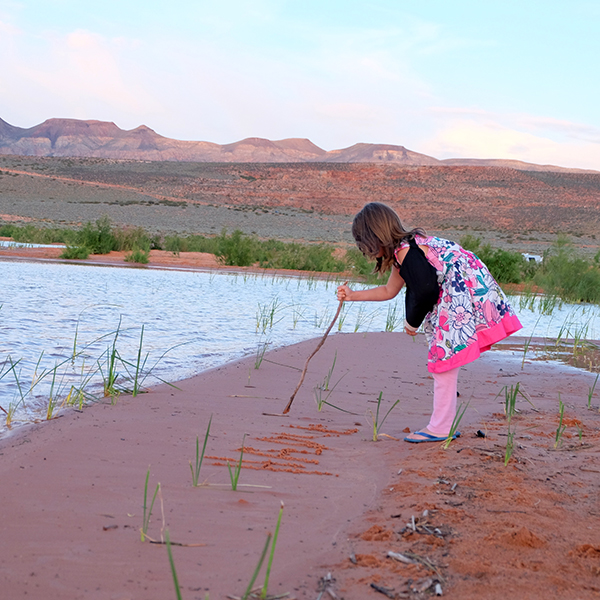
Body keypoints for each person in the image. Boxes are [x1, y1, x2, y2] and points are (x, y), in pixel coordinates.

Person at [337, 202, 522, 443]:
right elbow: (389, 290)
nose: (365, 250)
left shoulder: (407, 252)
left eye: (364, 243)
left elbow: (425, 290)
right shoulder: (409, 248)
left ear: (375, 236)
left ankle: (440, 428)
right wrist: (353, 295)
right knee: (445, 362)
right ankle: (442, 424)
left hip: (458, 297)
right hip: (467, 291)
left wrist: (411, 322)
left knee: (442, 361)